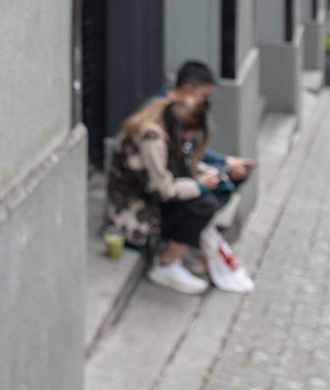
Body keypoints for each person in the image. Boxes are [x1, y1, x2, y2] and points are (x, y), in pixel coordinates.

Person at [105, 60, 256, 294]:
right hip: (138, 210)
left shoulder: (173, 116)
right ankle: (167, 263)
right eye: (205, 96)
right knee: (203, 201)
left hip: (157, 192)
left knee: (222, 183)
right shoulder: (153, 135)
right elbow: (163, 188)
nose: (207, 102)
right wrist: (201, 183)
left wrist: (221, 168)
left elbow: (183, 163)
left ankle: (185, 245)